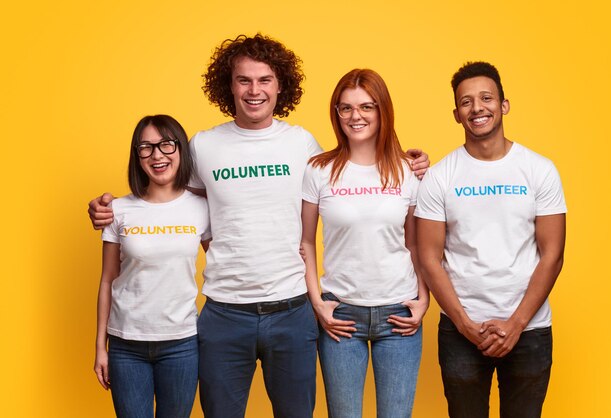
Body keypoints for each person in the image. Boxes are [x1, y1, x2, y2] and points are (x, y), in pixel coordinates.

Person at [88, 34, 430, 418]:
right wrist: (112, 208)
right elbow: (166, 197)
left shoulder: (303, 145)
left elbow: (355, 168)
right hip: (224, 315)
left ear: (280, 85)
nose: (255, 90)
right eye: (244, 80)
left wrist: (407, 162)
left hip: (292, 310)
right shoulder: (203, 146)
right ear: (228, 85)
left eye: (264, 79)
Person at [415, 62, 567, 418]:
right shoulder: (439, 177)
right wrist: (466, 325)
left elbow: (553, 254)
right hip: (461, 331)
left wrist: (516, 325)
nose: (477, 108)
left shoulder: (539, 169)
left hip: (529, 330)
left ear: (504, 105)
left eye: (486, 98)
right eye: (466, 102)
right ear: (456, 114)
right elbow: (428, 258)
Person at [301, 69, 429, 418]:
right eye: (346, 108)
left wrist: (424, 300)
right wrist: (317, 303)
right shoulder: (318, 170)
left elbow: (416, 245)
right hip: (341, 315)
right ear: (336, 113)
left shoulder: (408, 171)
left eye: (367, 107)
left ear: (382, 110)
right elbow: (306, 243)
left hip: (398, 316)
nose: (355, 116)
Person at [93, 115, 211, 418]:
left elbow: (224, 264)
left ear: (181, 149)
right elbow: (107, 280)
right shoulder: (117, 210)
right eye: (146, 147)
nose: (157, 155)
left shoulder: (201, 208)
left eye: (166, 145)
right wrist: (100, 348)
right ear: (138, 156)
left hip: (181, 343)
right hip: (126, 345)